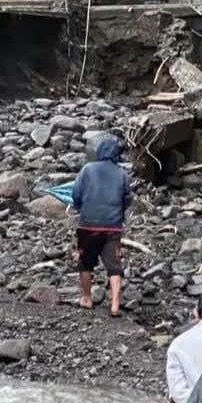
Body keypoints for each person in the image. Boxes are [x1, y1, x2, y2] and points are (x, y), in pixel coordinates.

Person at [71, 136, 130, 317]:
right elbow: (127, 198)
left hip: (88, 224)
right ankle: (115, 305)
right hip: (112, 226)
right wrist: (120, 213)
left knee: (86, 262)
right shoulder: (122, 174)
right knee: (114, 265)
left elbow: (76, 193)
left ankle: (87, 298)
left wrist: (80, 207)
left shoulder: (87, 169)